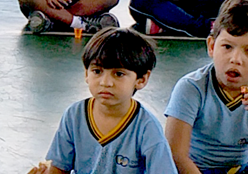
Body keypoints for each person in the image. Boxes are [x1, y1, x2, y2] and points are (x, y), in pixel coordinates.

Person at [165, 0, 248, 174]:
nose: (235, 59)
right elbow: (175, 155)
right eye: (227, 47)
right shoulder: (191, 88)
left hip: (239, 170)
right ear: (211, 46)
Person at [28, 27, 176, 174]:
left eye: (118, 74)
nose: (105, 82)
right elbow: (59, 167)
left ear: (141, 79)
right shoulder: (75, 115)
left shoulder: (147, 128)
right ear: (86, 73)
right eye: (97, 71)